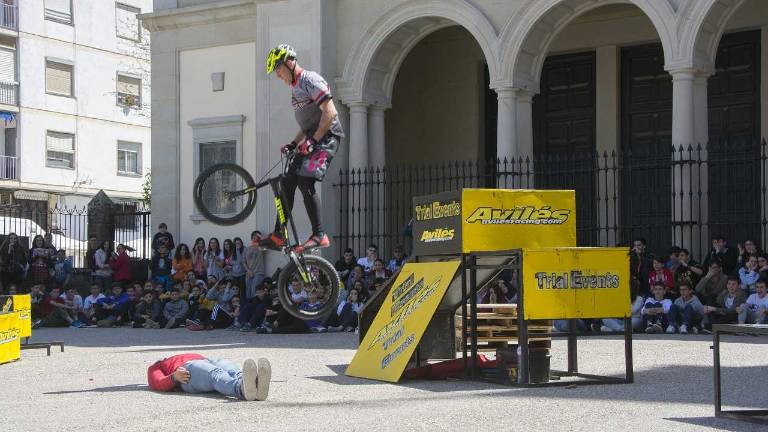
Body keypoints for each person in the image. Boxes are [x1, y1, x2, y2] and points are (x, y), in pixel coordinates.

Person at [260, 44, 344, 251]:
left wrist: (313, 141)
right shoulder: (296, 88)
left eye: (278, 70)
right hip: (312, 137)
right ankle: (279, 234)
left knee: (305, 181)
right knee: (287, 181)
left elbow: (330, 112)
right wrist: (294, 143)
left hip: (327, 137)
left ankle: (319, 235)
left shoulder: (309, 80)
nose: (278, 76)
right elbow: (307, 125)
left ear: (289, 63)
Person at [147, 354, 271, 401]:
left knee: (233, 369)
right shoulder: (155, 367)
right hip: (187, 371)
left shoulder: (174, 357)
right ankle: (241, 389)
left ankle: (255, 386)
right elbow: (157, 382)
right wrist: (174, 377)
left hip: (206, 359)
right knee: (215, 374)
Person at [244, 231, 266, 300]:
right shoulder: (247, 249)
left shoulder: (261, 247)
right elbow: (243, 262)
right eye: (254, 237)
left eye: (257, 237)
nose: (255, 239)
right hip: (249, 273)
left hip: (258, 273)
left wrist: (259, 235)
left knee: (255, 292)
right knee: (248, 293)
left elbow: (265, 242)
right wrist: (248, 270)